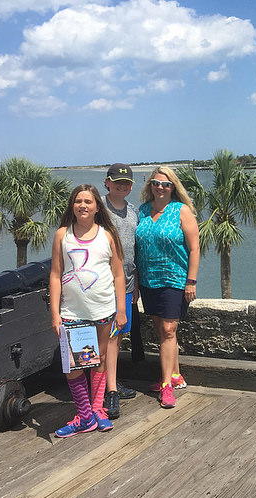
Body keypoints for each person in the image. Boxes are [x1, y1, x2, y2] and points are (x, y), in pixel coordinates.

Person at [49, 184, 127, 437]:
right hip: (72, 311)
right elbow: (55, 274)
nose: (83, 205)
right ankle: (84, 416)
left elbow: (118, 274)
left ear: (96, 207)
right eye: (78, 201)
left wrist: (121, 309)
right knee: (74, 365)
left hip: (103, 309)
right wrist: (54, 313)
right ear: (72, 205)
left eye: (88, 201)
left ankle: (97, 410)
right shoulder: (63, 235)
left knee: (100, 359)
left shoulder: (108, 235)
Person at [135, 166, 200, 409]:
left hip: (174, 278)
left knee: (169, 329)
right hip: (148, 280)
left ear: (173, 187)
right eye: (156, 183)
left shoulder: (181, 211)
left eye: (166, 184)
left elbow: (194, 248)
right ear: (150, 185)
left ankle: (165, 386)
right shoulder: (142, 211)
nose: (160, 188)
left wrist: (191, 281)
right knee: (162, 330)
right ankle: (174, 374)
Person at [102, 163, 139, 420]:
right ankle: (108, 390)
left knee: (118, 336)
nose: (121, 186)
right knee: (107, 338)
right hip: (103, 285)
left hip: (125, 284)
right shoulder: (98, 210)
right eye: (117, 182)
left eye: (126, 183)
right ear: (107, 182)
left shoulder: (133, 212)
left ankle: (110, 383)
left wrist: (135, 283)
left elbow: (134, 251)